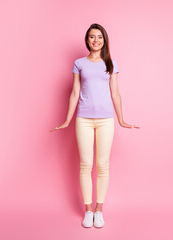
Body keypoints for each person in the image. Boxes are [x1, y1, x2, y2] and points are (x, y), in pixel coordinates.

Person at [50, 23, 139, 228]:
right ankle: (88, 210)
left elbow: (115, 93)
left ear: (104, 40)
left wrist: (122, 119)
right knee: (85, 164)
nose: (96, 40)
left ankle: (99, 210)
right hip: (84, 119)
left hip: (106, 119)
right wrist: (66, 120)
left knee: (102, 165)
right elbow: (74, 93)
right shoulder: (79, 63)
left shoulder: (110, 64)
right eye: (92, 37)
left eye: (99, 37)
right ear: (87, 40)